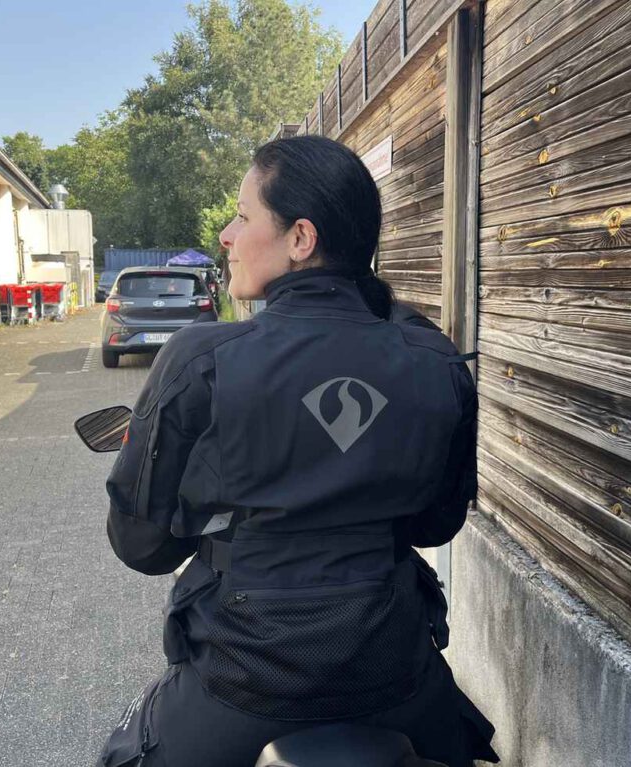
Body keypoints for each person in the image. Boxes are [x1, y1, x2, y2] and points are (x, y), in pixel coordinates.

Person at [95, 135, 499, 767]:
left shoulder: (200, 360)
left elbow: (142, 546)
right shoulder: (435, 360)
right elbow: (436, 522)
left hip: (239, 689)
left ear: (300, 239)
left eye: (244, 216)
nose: (227, 235)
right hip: (397, 677)